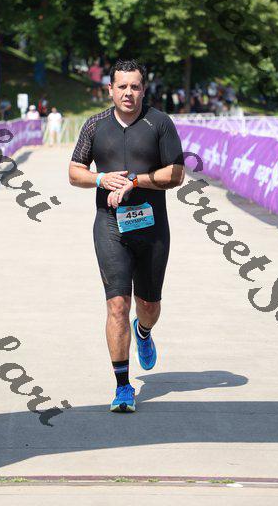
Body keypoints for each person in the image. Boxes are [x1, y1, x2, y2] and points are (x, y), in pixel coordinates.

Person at [69, 59, 185, 413]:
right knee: (117, 305)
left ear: (143, 89)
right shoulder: (95, 125)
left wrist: (136, 180)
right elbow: (74, 172)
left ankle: (144, 331)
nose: (128, 93)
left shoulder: (159, 123)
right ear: (110, 89)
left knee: (148, 306)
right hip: (109, 225)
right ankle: (122, 386)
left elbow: (176, 174)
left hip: (151, 226)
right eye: (122, 86)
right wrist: (100, 179)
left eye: (135, 86)